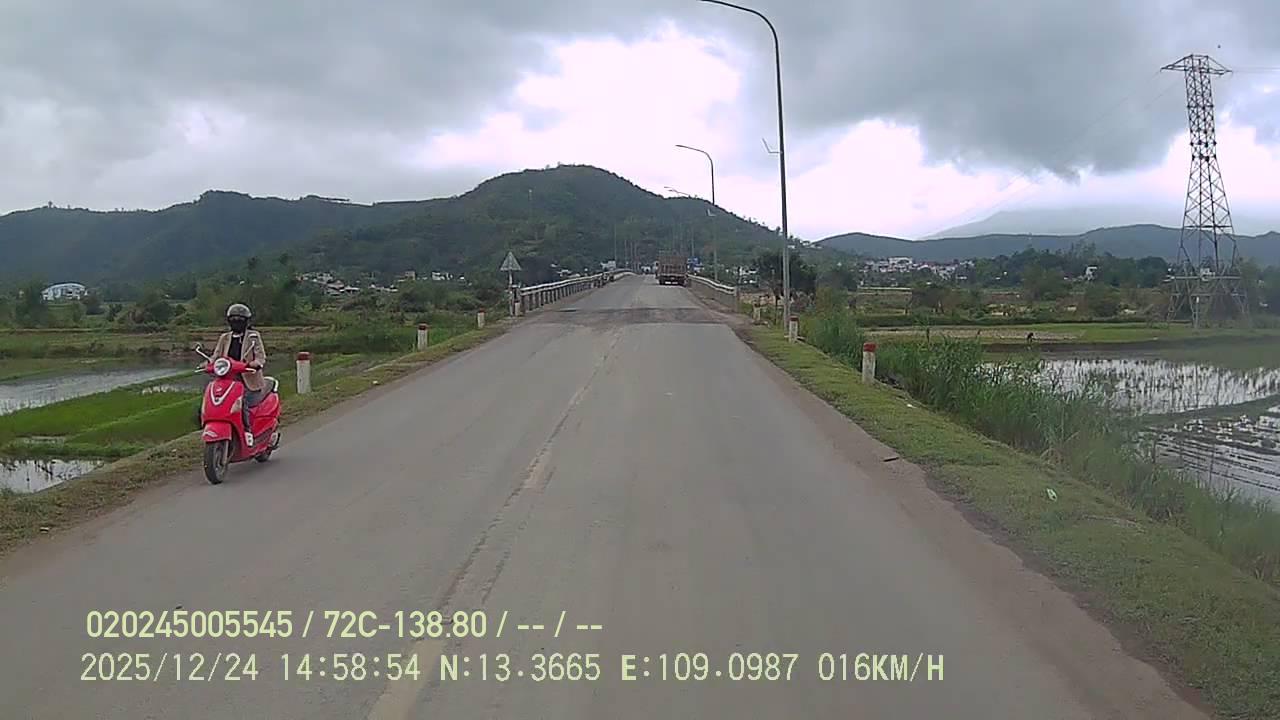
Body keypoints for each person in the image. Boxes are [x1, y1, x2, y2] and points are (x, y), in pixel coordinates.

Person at [211, 303, 267, 445]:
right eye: (233, 319)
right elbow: (216, 356)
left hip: (248, 379)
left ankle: (247, 432)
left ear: (246, 321)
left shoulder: (253, 336)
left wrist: (255, 364)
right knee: (215, 399)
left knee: (243, 403)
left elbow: (260, 356)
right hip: (228, 378)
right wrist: (208, 364)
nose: (236, 322)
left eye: (240, 320)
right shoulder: (224, 337)